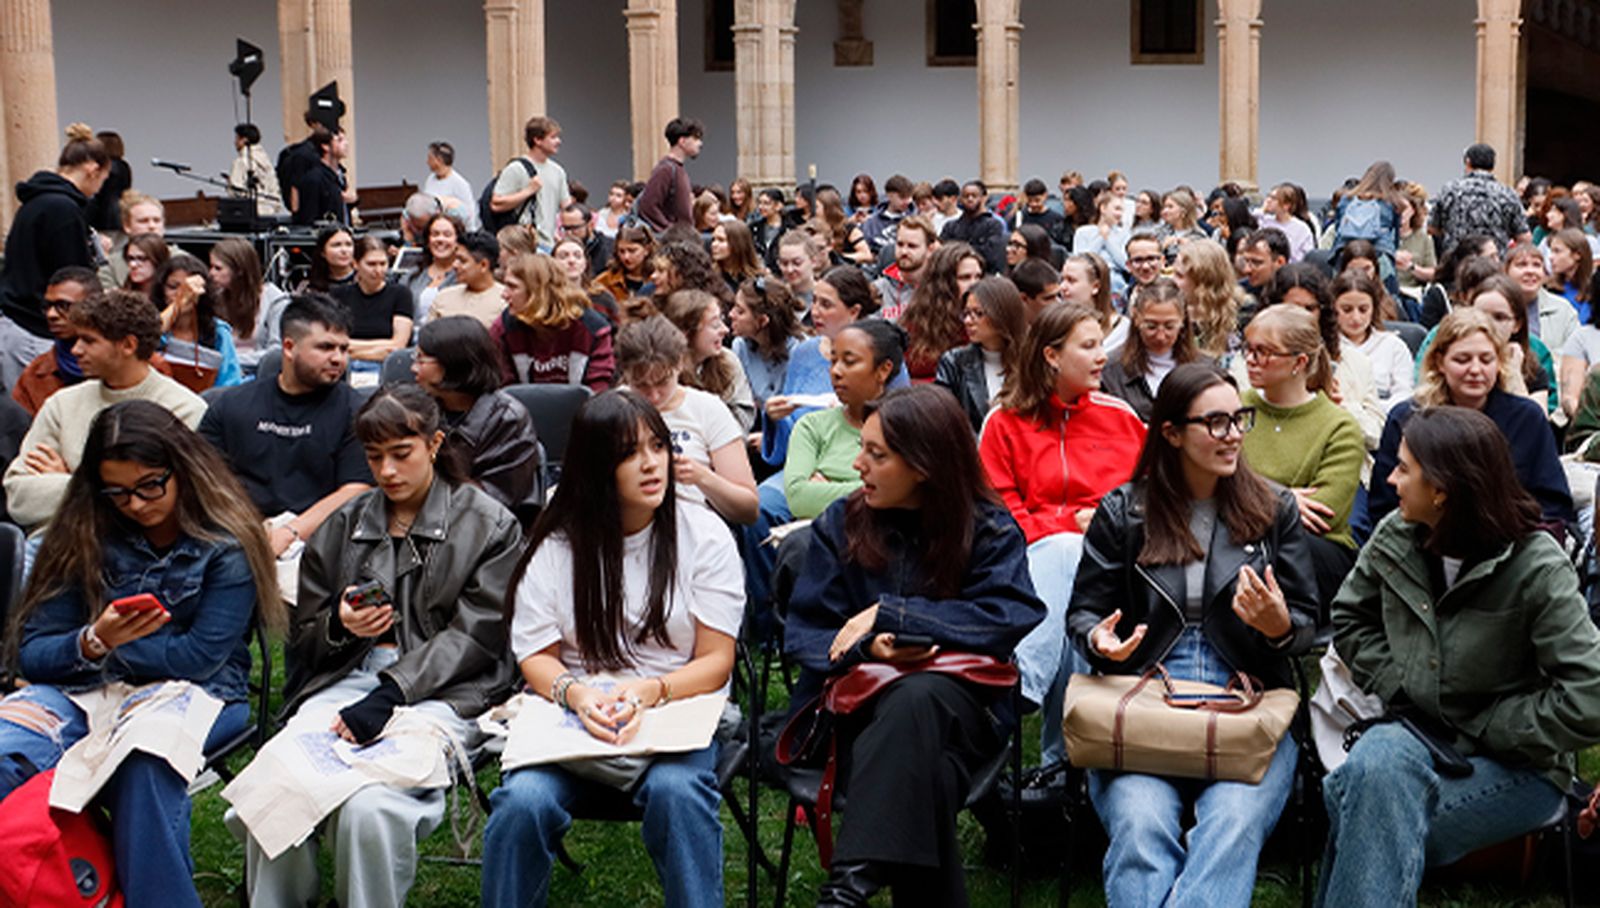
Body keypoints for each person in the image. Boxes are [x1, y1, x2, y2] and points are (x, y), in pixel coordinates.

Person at [233, 384, 523, 908]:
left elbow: (478, 637)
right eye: (373, 457)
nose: (386, 471)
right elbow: (303, 641)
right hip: (346, 683)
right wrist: (342, 627)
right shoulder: (345, 523)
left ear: (434, 444)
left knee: (370, 808)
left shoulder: (488, 524)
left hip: (448, 693)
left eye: (401, 454)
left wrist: (391, 691)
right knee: (277, 787)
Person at [0, 399, 280, 908]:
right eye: (118, 492)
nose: (135, 504)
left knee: (144, 765)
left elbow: (197, 657)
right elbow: (32, 654)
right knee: (4, 750)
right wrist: (94, 641)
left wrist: (103, 645)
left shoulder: (227, 542)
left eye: (151, 485)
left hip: (199, 692)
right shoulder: (84, 528)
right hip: (82, 689)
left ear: (183, 469)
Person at [1318, 406, 1600, 907]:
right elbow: (1350, 620)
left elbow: (1589, 696)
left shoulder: (1536, 565)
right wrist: (1399, 684)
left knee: (1361, 808)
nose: (1389, 478)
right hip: (1416, 734)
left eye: (1404, 468)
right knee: (1376, 767)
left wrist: (1495, 724)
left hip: (1518, 766)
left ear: (1442, 489)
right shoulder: (1395, 535)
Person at [1067, 362, 1318, 908]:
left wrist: (1278, 626)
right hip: (1142, 696)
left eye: (1239, 419)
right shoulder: (1125, 511)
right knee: (1139, 824)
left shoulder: (1274, 509)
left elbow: (1306, 623)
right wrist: (1099, 643)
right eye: (1216, 422)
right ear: (1172, 433)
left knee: (1232, 823)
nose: (1233, 435)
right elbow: (1083, 613)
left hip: (1247, 699)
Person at [783, 385, 1045, 906]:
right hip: (855, 718)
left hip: (964, 713)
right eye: (863, 448)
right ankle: (848, 891)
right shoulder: (843, 523)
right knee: (934, 775)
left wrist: (896, 614)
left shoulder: (987, 529)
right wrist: (870, 651)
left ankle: (847, 884)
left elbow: (1010, 614)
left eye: (876, 455)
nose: (857, 465)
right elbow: (806, 634)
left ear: (924, 465)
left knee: (920, 696)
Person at [480, 389, 743, 908]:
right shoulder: (558, 544)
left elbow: (716, 661)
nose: (651, 465)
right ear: (595, 466)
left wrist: (650, 690)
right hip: (572, 715)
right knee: (521, 803)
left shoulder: (702, 534)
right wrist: (575, 695)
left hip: (675, 710)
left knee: (678, 795)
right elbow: (536, 654)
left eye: (658, 446)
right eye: (628, 453)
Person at [978, 302, 1146, 763]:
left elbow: (1153, 497)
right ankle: (1061, 764)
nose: (1102, 358)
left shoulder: (1122, 418)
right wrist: (1064, 528)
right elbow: (998, 513)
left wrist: (1108, 525)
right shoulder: (1004, 422)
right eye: (1088, 346)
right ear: (1051, 356)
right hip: (1028, 565)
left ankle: (1018, 693)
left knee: (1079, 577)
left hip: (1117, 568)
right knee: (1072, 573)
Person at [4, 290, 205, 534]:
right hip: (56, 550)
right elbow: (19, 498)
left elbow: (165, 507)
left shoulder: (183, 409)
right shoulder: (61, 405)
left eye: (88, 341)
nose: (76, 350)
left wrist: (78, 483)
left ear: (128, 345)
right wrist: (108, 490)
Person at [199, 294, 371, 565]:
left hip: (321, 543)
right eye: (325, 347)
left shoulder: (356, 410)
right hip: (238, 537)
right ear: (289, 347)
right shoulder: (231, 405)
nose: (338, 359)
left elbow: (356, 489)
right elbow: (205, 480)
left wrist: (289, 533)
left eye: (343, 349)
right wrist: (251, 533)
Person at [1368, 308, 1574, 530]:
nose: (1476, 370)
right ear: (1439, 362)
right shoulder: (1407, 418)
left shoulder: (1526, 418)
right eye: (1462, 359)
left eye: (1486, 360)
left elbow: (1553, 505)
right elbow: (1384, 506)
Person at [1238, 305, 1365, 609]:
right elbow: (1208, 484)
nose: (1251, 360)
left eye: (1264, 352)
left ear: (1300, 362)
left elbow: (1323, 514)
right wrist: (1280, 498)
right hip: (1238, 544)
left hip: (1314, 555)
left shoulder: (1339, 426)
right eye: (1248, 349)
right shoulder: (1234, 408)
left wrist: (1244, 494)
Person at [616, 316, 758, 524]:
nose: (654, 396)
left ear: (679, 365)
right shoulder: (614, 408)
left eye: (663, 382)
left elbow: (748, 509)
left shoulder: (707, 408)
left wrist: (701, 477)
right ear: (626, 375)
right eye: (641, 385)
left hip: (694, 528)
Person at [0, 123, 108, 391]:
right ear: (93, 170)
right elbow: (71, 276)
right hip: (33, 328)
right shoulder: (62, 209)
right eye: (102, 181)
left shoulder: (38, 202)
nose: (98, 191)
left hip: (18, 321)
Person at [412, 315, 541, 523]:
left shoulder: (508, 419)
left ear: (452, 362)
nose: (414, 369)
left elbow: (493, 499)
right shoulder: (420, 408)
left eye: (421, 360)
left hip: (487, 531)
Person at [492, 253, 616, 391]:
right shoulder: (504, 328)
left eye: (512, 287)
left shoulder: (592, 329)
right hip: (520, 410)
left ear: (538, 291)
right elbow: (502, 390)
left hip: (583, 409)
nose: (504, 295)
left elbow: (600, 390)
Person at [1100, 278, 1204, 422]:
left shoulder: (1205, 368)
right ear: (1136, 318)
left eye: (1169, 327)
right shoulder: (1110, 371)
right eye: (1151, 327)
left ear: (1182, 321)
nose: (1160, 337)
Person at [937, 275, 1028, 432]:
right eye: (966, 313)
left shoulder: (1032, 360)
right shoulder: (953, 362)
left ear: (1002, 315)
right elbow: (944, 420)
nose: (968, 321)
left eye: (978, 313)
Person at [11, 267, 104, 416]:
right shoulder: (34, 376)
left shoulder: (131, 362)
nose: (51, 314)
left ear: (94, 305)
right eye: (47, 306)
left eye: (64, 306)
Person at [662, 288, 755, 431]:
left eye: (722, 321)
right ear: (687, 333)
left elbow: (743, 415)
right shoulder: (662, 370)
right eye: (715, 325)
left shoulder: (728, 360)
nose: (725, 330)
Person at [153, 252, 243, 392]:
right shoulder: (153, 327)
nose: (182, 294)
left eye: (190, 289)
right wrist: (177, 306)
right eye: (173, 287)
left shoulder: (218, 332)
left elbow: (230, 383)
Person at [1331, 271, 1414, 409]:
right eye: (1347, 310)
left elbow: (1404, 395)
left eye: (1363, 310)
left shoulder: (1394, 346)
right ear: (1333, 308)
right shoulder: (1323, 347)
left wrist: (1372, 409)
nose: (1356, 318)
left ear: (1374, 309)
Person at [209, 236, 291, 375]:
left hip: (257, 374)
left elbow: (276, 353)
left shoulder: (275, 300)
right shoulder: (215, 297)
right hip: (221, 371)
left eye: (218, 268)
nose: (211, 273)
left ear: (239, 271)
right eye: (211, 267)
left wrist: (230, 361)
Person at [1431, 143, 1531, 255]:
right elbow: (1524, 237)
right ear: (1493, 165)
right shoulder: (1508, 194)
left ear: (1467, 162)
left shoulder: (1449, 190)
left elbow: (1432, 227)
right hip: (1493, 264)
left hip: (1456, 263)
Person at [902, 242, 983, 381]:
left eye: (978, 277)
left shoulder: (986, 321)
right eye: (965, 277)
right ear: (943, 283)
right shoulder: (918, 322)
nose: (974, 284)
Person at [334, 236, 414, 377]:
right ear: (355, 264)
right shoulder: (340, 295)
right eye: (371, 264)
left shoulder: (400, 294)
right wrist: (381, 348)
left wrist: (351, 348)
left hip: (384, 368)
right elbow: (336, 341)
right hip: (347, 368)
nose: (378, 270)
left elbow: (398, 345)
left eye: (383, 264)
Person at [491, 117, 570, 248]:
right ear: (537, 140)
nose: (558, 141)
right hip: (525, 243)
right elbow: (496, 204)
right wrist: (528, 191)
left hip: (550, 242)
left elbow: (566, 205)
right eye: (553, 137)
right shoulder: (516, 168)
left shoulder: (558, 171)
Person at [729, 276, 803, 413]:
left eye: (740, 311)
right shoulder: (740, 347)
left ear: (762, 321)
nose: (731, 314)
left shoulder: (800, 351)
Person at [1175, 239, 1247, 360]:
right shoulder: (1172, 311)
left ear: (1202, 282)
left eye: (1179, 276)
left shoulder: (1242, 313)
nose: (1173, 281)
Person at [637, 117, 703, 233]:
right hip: (674, 242)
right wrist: (670, 232)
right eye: (696, 138)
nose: (700, 143)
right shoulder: (666, 169)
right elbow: (648, 206)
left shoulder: (676, 169)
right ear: (682, 141)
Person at [426, 230, 504, 328]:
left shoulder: (506, 301)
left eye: (462, 261)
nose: (455, 265)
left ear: (483, 265)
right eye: (455, 259)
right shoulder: (443, 297)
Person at [98, 192, 171, 290]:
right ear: (127, 226)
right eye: (143, 221)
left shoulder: (179, 259)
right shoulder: (111, 267)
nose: (152, 226)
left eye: (157, 220)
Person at [874, 216, 941, 321]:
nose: (904, 251)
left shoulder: (940, 289)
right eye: (900, 244)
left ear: (930, 250)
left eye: (912, 246)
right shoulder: (878, 289)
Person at [1063, 251, 1129, 355]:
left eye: (1071, 281)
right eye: (1062, 279)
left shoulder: (1122, 330)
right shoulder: (1059, 325)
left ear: (1096, 286)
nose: (1062, 287)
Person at [292, 124, 354, 226]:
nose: (346, 144)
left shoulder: (340, 175)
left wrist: (353, 200)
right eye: (339, 140)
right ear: (325, 146)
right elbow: (309, 217)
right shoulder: (314, 178)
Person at [939, 180, 1006, 275]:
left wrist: (957, 251)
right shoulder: (951, 226)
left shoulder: (993, 225)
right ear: (960, 199)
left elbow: (991, 256)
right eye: (966, 196)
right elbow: (942, 254)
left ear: (983, 198)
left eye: (974, 196)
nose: (970, 199)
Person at [406, 213, 463, 320]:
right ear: (428, 240)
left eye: (447, 235)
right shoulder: (412, 276)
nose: (440, 239)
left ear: (457, 241)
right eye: (435, 234)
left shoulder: (464, 275)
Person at [1072, 192, 1132, 289]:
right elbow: (1082, 260)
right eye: (1117, 209)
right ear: (1103, 208)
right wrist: (1101, 238)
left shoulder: (1124, 234)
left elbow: (1125, 264)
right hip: (1088, 275)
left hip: (1114, 278)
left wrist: (1107, 240)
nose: (1120, 214)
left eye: (1122, 210)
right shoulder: (1083, 232)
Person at [227, 123, 285, 216]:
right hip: (270, 212)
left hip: (250, 213)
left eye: (237, 138)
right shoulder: (266, 161)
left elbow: (236, 192)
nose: (235, 142)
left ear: (244, 140)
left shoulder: (241, 162)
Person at [595, 225, 656, 306]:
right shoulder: (604, 281)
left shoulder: (657, 280)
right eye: (621, 251)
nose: (626, 257)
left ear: (646, 250)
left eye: (632, 251)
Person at [422, 141, 477, 230]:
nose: (427, 162)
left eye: (430, 158)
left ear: (439, 160)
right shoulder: (430, 179)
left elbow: (470, 214)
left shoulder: (460, 184)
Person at [84, 129, 131, 232]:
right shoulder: (124, 166)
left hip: (103, 215)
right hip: (120, 212)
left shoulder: (104, 167)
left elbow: (99, 193)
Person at [710, 220, 765, 293]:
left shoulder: (759, 279)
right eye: (713, 239)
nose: (714, 245)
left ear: (737, 244)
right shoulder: (710, 275)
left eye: (721, 240)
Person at [1156, 188, 1206, 263]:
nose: (1164, 211)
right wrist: (1162, 247)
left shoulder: (1199, 235)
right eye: (1164, 207)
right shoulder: (1160, 233)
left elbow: (1205, 261)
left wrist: (1191, 249)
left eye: (1170, 207)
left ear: (1183, 212)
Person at [304, 225, 356, 294]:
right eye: (336, 245)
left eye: (348, 244)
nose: (344, 250)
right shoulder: (311, 288)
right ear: (322, 252)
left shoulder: (365, 281)